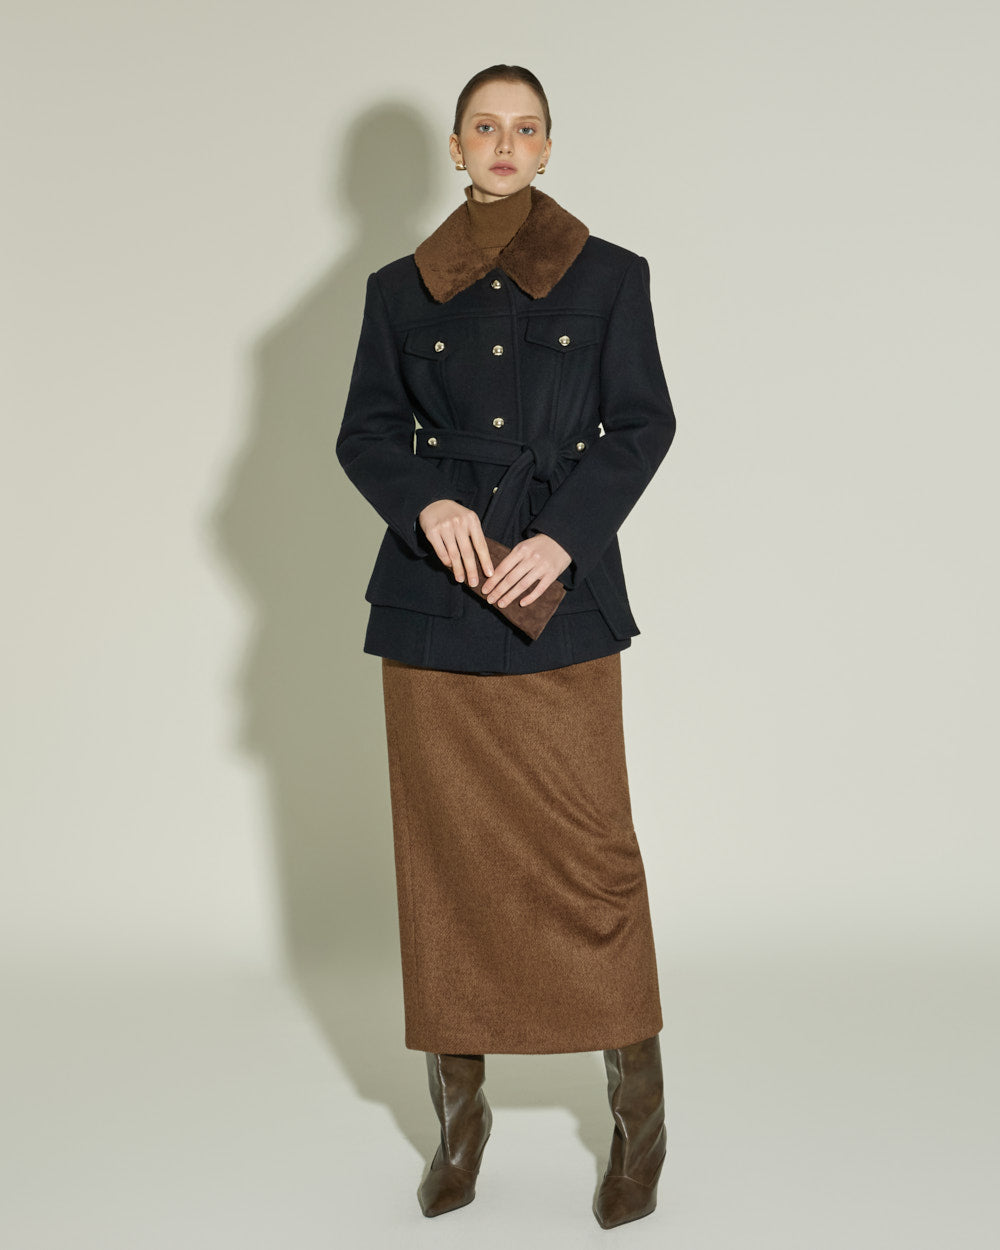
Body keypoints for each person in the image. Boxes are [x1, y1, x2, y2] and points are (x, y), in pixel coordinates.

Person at [336, 64, 677, 1230]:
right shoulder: (395, 290)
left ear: (546, 146)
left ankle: (639, 1121)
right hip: (433, 604)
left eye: (523, 127)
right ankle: (460, 1121)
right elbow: (364, 432)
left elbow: (643, 424)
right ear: (455, 147)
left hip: (558, 597)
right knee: (444, 864)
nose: (503, 142)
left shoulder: (611, 274)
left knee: (593, 857)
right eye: (483, 125)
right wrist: (425, 502)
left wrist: (565, 537)